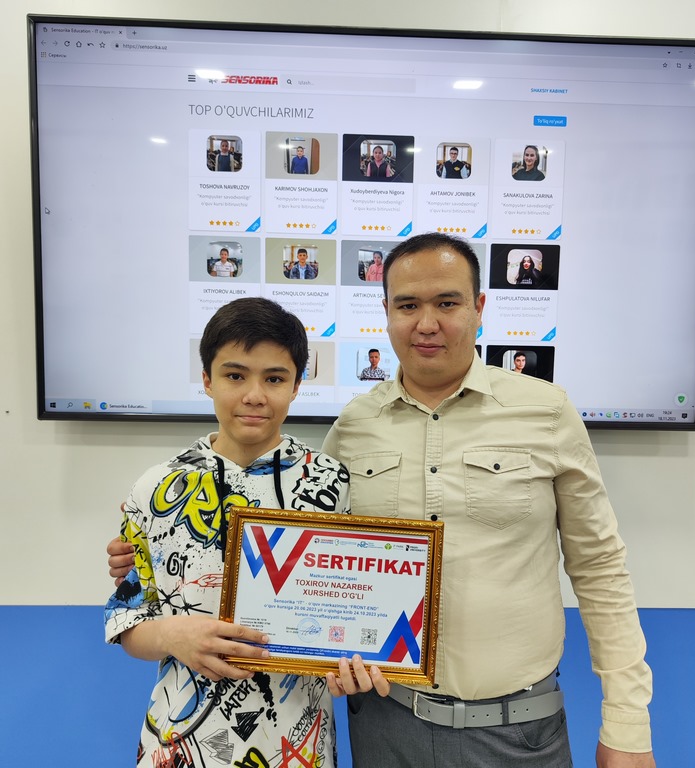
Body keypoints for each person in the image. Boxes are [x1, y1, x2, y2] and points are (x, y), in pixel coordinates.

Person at [109, 233, 655, 768]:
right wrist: (143, 551)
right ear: (387, 312)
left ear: (479, 307)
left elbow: (600, 568)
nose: (427, 323)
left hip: (517, 730)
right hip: (384, 724)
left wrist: (627, 724)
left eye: (447, 303)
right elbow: (307, 550)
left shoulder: (548, 412)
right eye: (408, 305)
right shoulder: (353, 428)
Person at [104, 297, 350, 768]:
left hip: (298, 742)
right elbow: (128, 621)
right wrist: (172, 634)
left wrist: (350, 659)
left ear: (297, 385)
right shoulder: (156, 487)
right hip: (179, 742)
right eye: (235, 376)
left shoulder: (330, 483)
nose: (254, 395)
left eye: (274, 378)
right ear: (207, 379)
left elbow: (352, 605)